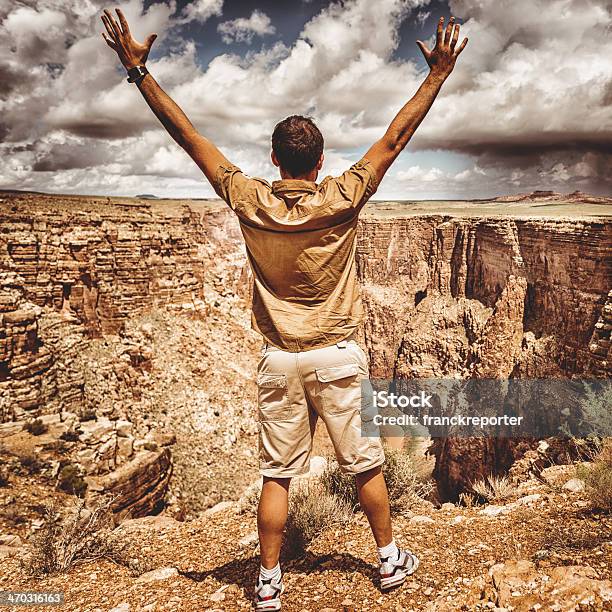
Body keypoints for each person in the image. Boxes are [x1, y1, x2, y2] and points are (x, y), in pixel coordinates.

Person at [101, 8, 467, 610]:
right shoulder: (343, 196)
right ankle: (388, 558)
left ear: (274, 161)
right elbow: (395, 139)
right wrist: (437, 76)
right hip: (338, 356)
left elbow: (190, 138)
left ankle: (268, 582)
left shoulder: (248, 199)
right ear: (320, 163)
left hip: (280, 360)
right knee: (365, 463)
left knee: (277, 474)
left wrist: (140, 74)